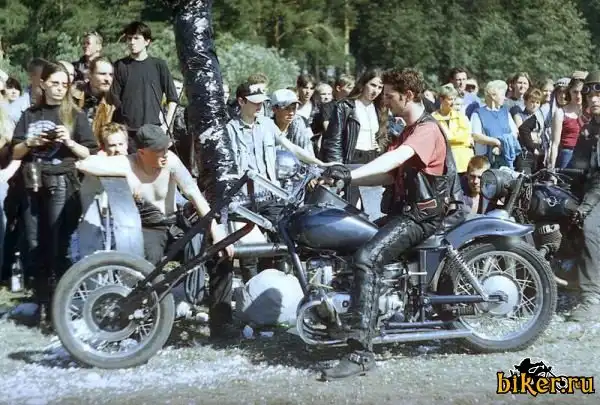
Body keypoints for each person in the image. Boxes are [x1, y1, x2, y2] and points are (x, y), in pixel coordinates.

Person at [320, 68, 462, 380]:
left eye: (389, 96)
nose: (384, 101)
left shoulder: (426, 130)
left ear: (407, 96)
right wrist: (341, 176)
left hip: (422, 216)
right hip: (406, 212)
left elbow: (395, 160)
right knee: (353, 241)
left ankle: (361, 353)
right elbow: (388, 174)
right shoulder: (408, 131)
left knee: (367, 259)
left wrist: (350, 174)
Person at [74, 124, 235, 334]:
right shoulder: (126, 164)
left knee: (220, 253)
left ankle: (222, 324)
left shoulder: (171, 161)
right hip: (148, 227)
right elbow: (84, 163)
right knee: (145, 268)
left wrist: (216, 230)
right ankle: (146, 326)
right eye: (159, 150)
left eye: (166, 148)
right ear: (142, 152)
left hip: (175, 222)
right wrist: (119, 174)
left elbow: (195, 195)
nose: (165, 154)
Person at [565, 70, 600, 322]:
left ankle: (593, 297)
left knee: (590, 227)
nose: (594, 98)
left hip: (597, 193)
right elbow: (576, 169)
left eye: (599, 93)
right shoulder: (588, 130)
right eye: (590, 94)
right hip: (591, 191)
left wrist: (586, 205)